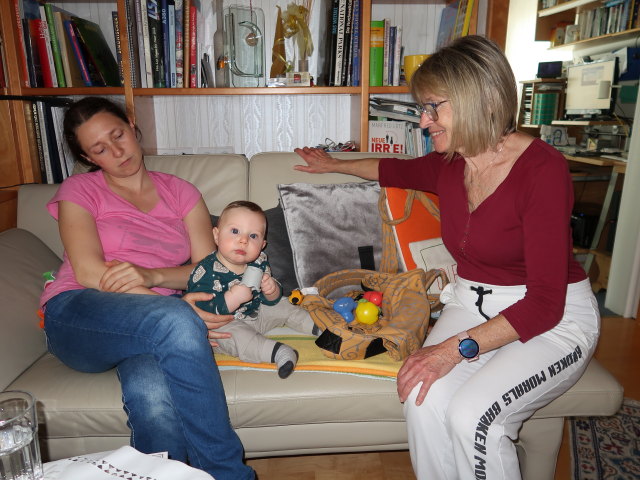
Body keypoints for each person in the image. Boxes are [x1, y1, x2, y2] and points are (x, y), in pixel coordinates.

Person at [294, 35, 599, 479]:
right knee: (422, 395)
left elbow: (545, 302)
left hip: (553, 319)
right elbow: (388, 168)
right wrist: (331, 164)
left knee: (474, 417)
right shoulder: (449, 164)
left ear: (482, 98)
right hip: (471, 303)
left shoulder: (543, 171)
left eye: (433, 106)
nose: (423, 120)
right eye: (423, 108)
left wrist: (451, 351)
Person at [40, 97, 255, 480]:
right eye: (99, 149)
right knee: (173, 321)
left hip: (150, 325)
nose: (117, 152)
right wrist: (181, 316)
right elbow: (90, 273)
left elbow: (211, 271)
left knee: (153, 401)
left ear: (132, 127)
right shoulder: (80, 190)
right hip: (78, 313)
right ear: (89, 159)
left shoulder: (181, 192)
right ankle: (228, 474)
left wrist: (153, 277)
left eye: (118, 135)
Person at [187, 200, 319, 378]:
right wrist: (232, 299)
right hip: (226, 323)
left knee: (283, 304)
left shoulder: (259, 261)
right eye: (235, 231)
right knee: (237, 338)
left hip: (256, 313)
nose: (243, 240)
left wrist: (272, 291)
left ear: (263, 245)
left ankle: (320, 326)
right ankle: (280, 353)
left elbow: (269, 300)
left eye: (253, 236)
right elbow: (200, 311)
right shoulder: (205, 271)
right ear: (216, 236)